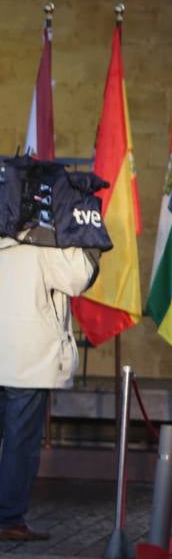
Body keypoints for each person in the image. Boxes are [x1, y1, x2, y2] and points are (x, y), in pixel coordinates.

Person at [0, 232, 99, 541]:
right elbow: (78, 277)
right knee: (21, 441)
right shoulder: (42, 243)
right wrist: (92, 239)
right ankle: (8, 519)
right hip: (26, 361)